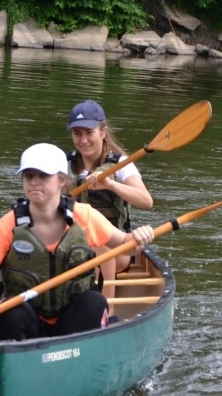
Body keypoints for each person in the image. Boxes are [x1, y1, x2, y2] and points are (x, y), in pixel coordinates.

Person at [0, 143, 155, 342]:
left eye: (43, 176)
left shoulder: (84, 216)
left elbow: (125, 244)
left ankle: (83, 351)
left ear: (61, 180)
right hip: (28, 326)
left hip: (71, 324)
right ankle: (13, 356)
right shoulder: (7, 225)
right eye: (29, 176)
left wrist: (139, 238)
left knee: (95, 301)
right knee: (9, 309)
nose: (34, 182)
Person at [66, 99, 154, 317]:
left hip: (117, 249)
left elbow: (146, 201)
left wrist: (110, 185)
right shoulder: (64, 164)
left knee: (99, 238)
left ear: (103, 131)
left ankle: (108, 308)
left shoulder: (121, 164)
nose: (83, 140)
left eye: (89, 132)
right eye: (77, 134)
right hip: (74, 247)